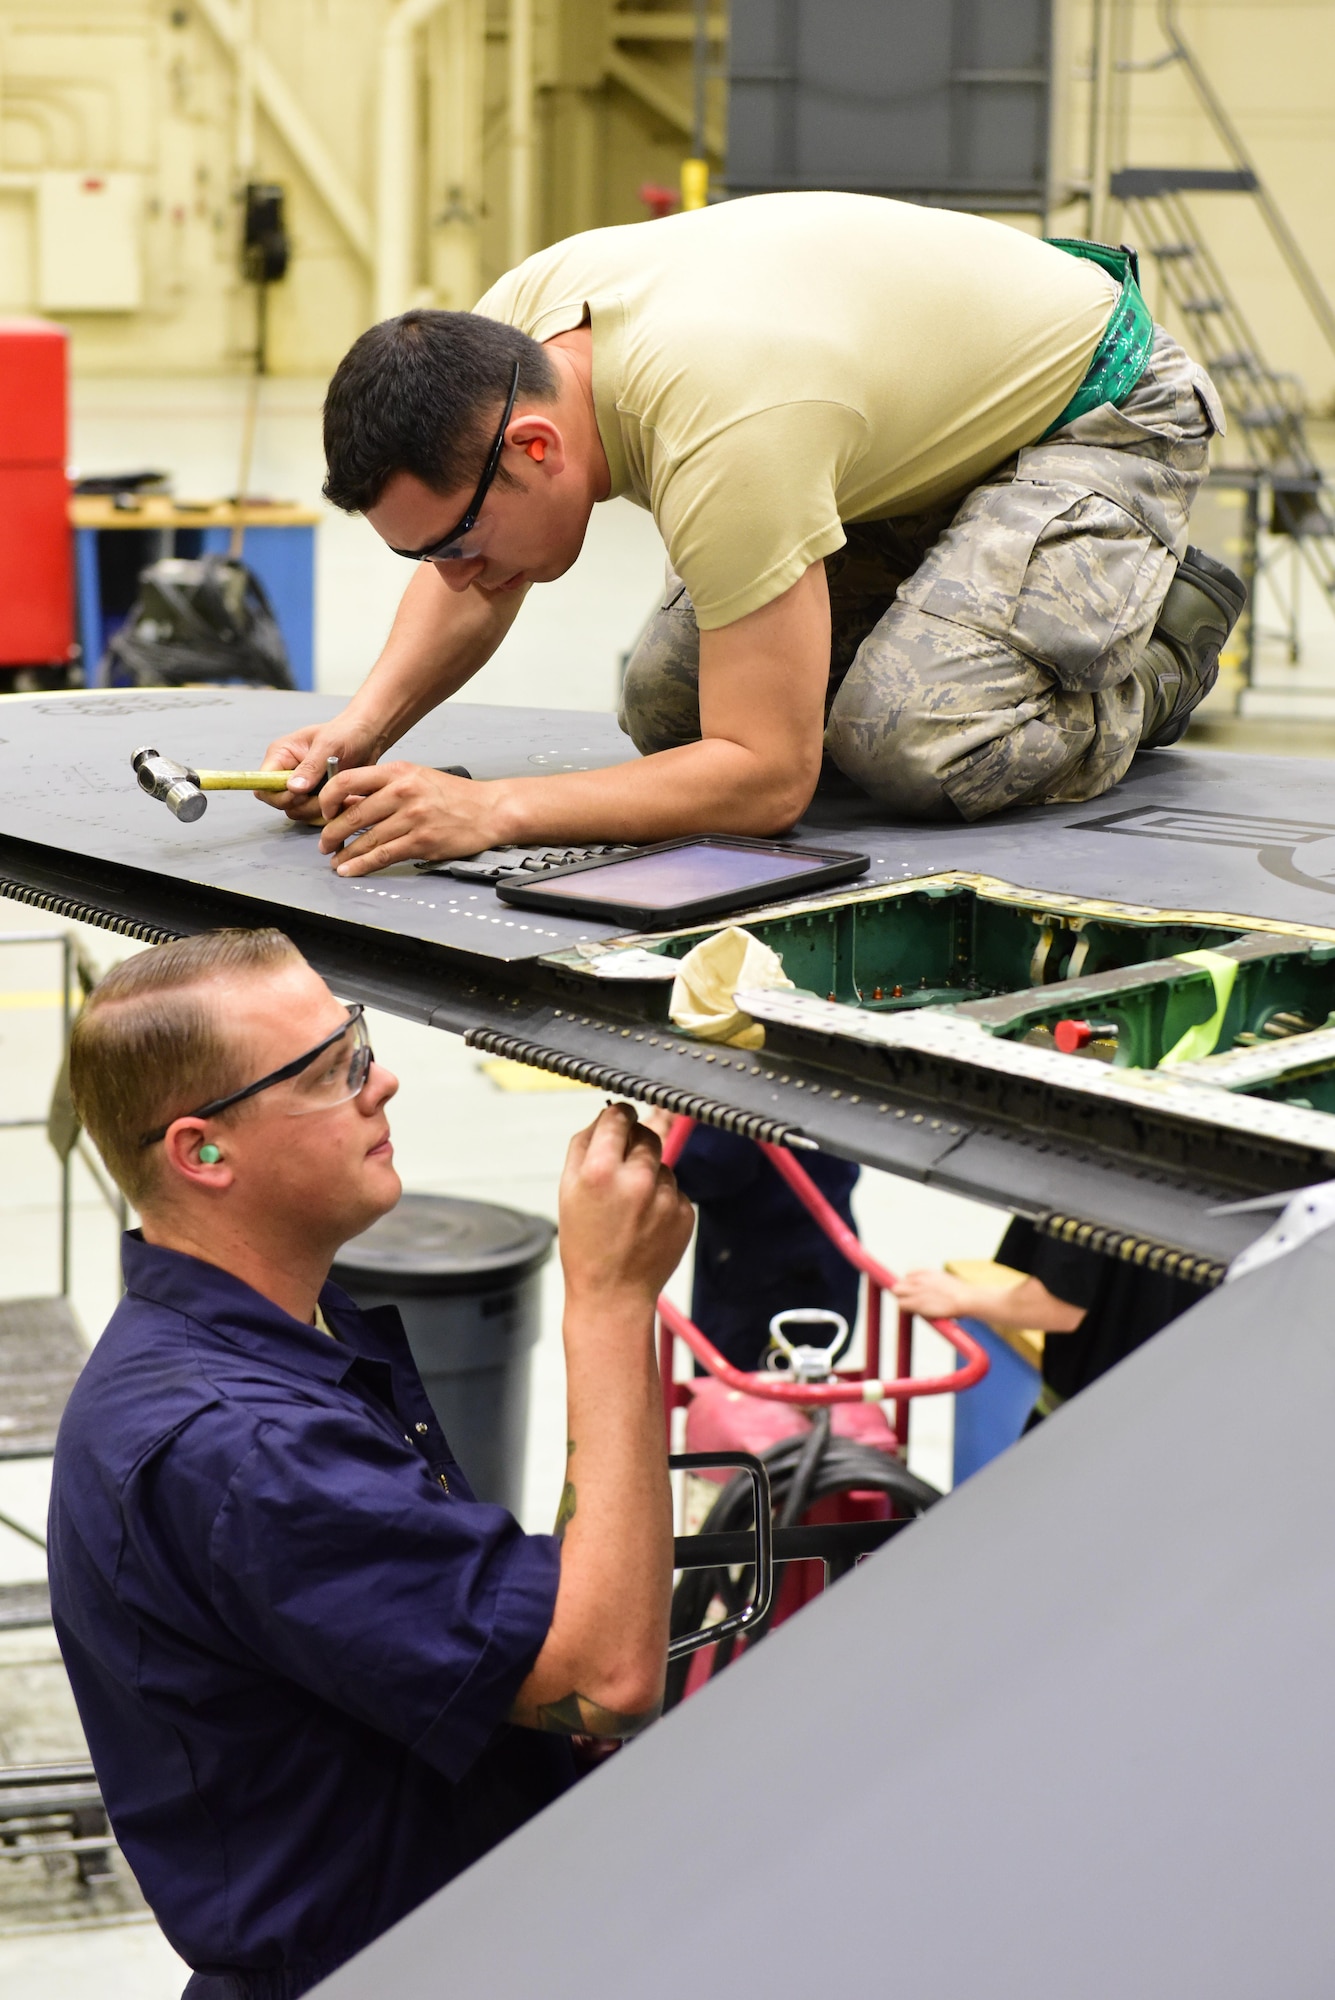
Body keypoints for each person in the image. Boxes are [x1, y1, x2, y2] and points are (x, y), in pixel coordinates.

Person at [47, 927, 693, 2000]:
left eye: (359, 1037)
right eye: (330, 1070)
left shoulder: (277, 1328)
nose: (380, 1078)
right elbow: (602, 1675)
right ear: (203, 1152)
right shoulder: (242, 1448)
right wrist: (611, 1302)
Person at [257, 192, 1244, 878]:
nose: (455, 571)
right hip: (896, 439)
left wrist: (492, 810)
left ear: (537, 446)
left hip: (1096, 408)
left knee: (916, 739)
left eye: (459, 538)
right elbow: (473, 565)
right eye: (421, 552)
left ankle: (1158, 648)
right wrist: (364, 730)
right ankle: (979, 612)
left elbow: (771, 779)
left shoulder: (724, 423)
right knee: (667, 706)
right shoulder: (501, 348)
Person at [894, 1216, 1209, 1428]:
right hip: (1192, 1416)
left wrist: (962, 1297)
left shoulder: (1091, 1146)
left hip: (1091, 1430)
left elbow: (1059, 1304)